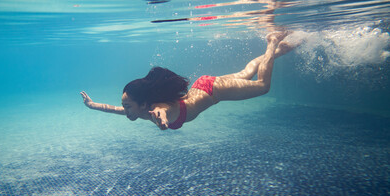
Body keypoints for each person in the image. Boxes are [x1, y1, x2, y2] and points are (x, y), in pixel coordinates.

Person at [81, 31, 296, 130]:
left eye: (127, 106)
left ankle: (273, 41)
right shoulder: (138, 111)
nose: (124, 110)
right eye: (125, 106)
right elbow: (113, 109)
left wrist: (162, 119)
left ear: (144, 104)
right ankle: (284, 48)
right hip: (203, 86)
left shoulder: (155, 109)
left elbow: (161, 111)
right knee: (246, 72)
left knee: (262, 86)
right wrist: (92, 105)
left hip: (214, 90)